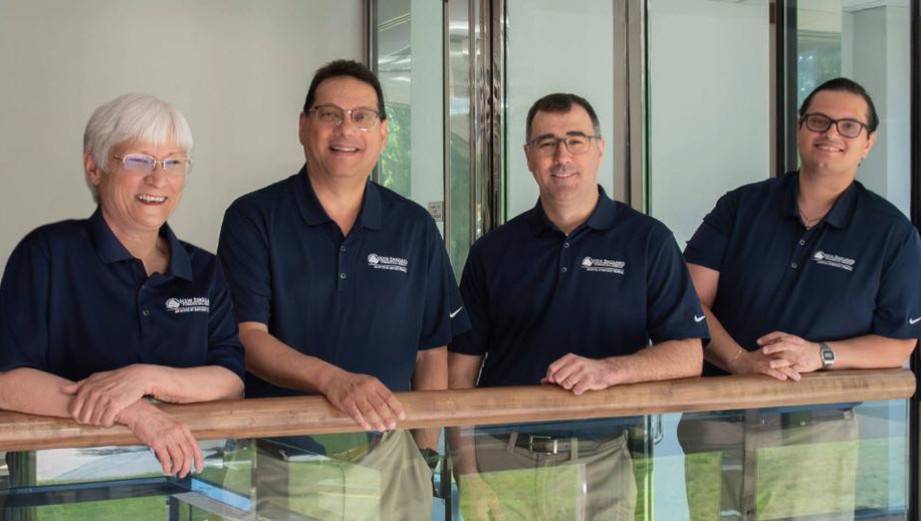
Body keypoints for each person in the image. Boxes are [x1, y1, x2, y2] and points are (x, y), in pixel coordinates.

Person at [217, 59, 468, 519]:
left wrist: (424, 453)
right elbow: (247, 338)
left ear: (384, 132)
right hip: (283, 461)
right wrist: (335, 381)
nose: (345, 130)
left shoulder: (413, 227)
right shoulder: (253, 218)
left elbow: (431, 352)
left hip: (392, 460)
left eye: (361, 117)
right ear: (303, 126)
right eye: (329, 114)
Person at [448, 92, 708, 521]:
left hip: (602, 463)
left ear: (599, 150)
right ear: (528, 156)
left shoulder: (647, 241)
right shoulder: (492, 251)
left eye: (575, 140)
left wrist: (607, 371)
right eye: (547, 143)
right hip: (502, 462)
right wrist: (468, 474)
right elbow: (459, 376)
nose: (561, 156)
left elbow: (688, 355)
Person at [680, 77, 921, 520]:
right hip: (719, 420)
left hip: (816, 434)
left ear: (868, 143)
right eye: (819, 121)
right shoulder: (740, 207)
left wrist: (819, 355)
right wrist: (740, 360)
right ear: (799, 129)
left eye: (849, 126)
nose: (831, 134)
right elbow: (689, 304)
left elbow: (897, 343)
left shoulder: (892, 234)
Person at [0, 94, 245, 479]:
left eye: (173, 162)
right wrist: (132, 411)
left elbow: (229, 381)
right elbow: (8, 381)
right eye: (138, 160)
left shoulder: (204, 269)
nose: (158, 179)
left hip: (188, 481)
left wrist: (145, 378)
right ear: (94, 168)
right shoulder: (47, 254)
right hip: (59, 486)